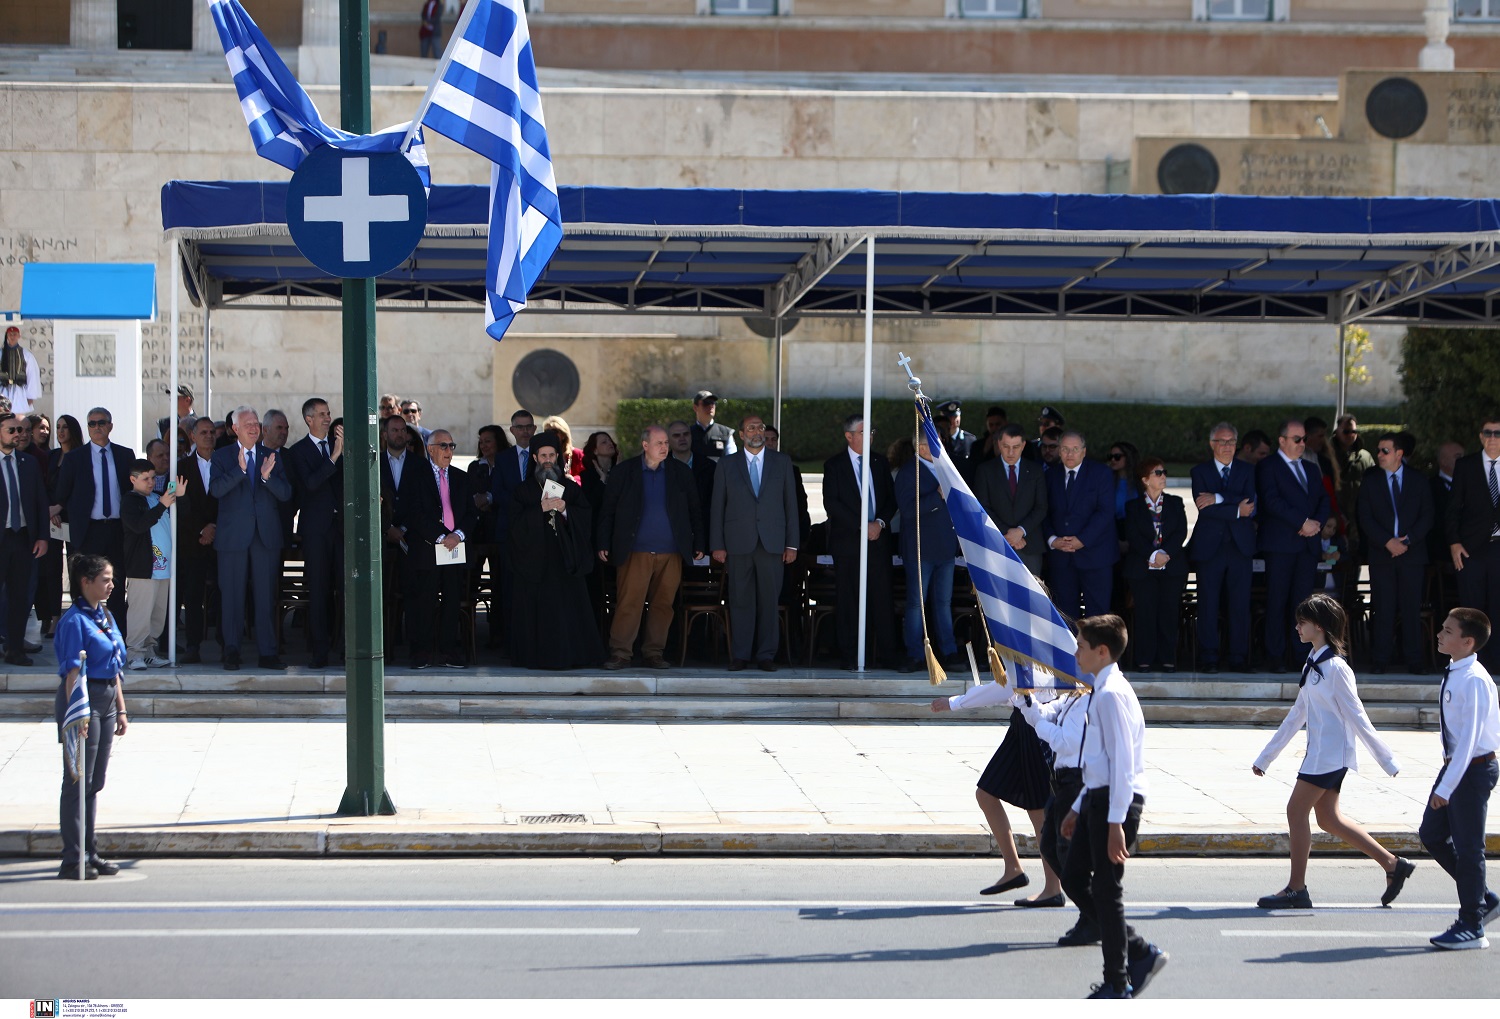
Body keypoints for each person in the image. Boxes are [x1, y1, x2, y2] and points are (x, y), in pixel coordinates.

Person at [1251, 593, 1409, 910]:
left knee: (1296, 812)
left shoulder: (1336, 668)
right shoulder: (1313, 663)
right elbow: (1297, 714)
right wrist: (1265, 758)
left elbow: (1357, 715)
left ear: (1319, 626)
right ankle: (1393, 864)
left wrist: (1387, 760)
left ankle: (1297, 889)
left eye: (1302, 622)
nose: (1297, 627)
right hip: (1320, 753)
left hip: (1330, 755)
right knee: (1329, 819)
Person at [1058, 615, 1167, 999]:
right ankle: (1137, 948)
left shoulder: (1111, 694)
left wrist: (1116, 822)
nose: (1076, 653)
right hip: (1097, 797)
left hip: (1116, 803)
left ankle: (1117, 981)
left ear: (1102, 652)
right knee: (1073, 878)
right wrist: (1077, 806)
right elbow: (1098, 760)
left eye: (1082, 647)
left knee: (1107, 890)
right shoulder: (1100, 689)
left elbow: (1122, 764)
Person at [931, 665, 1063, 907]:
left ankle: (1053, 887)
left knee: (1038, 811)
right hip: (1021, 723)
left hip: (1035, 726)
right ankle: (1013, 868)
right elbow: (1011, 689)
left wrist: (954, 702)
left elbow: (1006, 686)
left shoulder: (1033, 642)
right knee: (986, 793)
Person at [1420, 607, 1500, 949]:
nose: (1440, 633)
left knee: (1469, 848)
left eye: (1448, 630)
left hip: (1472, 767)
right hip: (1457, 765)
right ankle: (1482, 899)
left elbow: (1469, 739)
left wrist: (1448, 786)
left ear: (1467, 642)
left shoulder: (1475, 679)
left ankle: (1472, 925)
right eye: (1442, 628)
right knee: (1432, 834)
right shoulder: (1457, 670)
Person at [597, 425, 704, 670]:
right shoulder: (624, 471)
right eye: (659, 443)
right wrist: (603, 542)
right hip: (635, 551)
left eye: (666, 443)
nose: (665, 447)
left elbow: (694, 510)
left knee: (663, 605)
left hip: (671, 552)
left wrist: (698, 542)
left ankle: (654, 652)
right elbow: (608, 510)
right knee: (629, 603)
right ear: (645, 445)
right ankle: (621, 652)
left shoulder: (680, 472)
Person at [53, 553, 129, 880]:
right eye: (105, 580)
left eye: (112, 579)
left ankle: (90, 850)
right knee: (77, 782)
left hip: (108, 699)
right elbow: (72, 672)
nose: (111, 585)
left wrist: (122, 709)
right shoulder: (74, 621)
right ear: (86, 582)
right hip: (83, 701)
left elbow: (115, 668)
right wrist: (77, 717)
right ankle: (73, 858)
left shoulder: (105, 615)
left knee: (94, 782)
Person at [710, 414, 798, 671]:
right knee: (740, 600)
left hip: (772, 544)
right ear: (741, 434)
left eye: (760, 427)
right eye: (751, 428)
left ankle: (766, 655)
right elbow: (718, 507)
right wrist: (717, 544)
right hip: (737, 544)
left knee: (769, 602)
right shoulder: (727, 465)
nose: (757, 431)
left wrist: (792, 544)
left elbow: (790, 505)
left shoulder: (781, 462)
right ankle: (740, 654)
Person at [509, 432, 603, 670]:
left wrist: (564, 510)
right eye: (543, 456)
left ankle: (572, 657)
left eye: (552, 455)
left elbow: (586, 516)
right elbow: (513, 526)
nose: (548, 460)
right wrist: (539, 509)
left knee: (567, 612)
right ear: (534, 457)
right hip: (535, 565)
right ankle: (536, 658)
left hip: (565, 563)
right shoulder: (523, 491)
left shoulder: (569, 489)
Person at [1013, 682, 1098, 942]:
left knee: (1067, 854)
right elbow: (1045, 712)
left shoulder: (1089, 699)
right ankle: (1093, 913)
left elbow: (1067, 742)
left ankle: (1096, 916)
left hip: (1076, 781)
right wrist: (1024, 700)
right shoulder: (1075, 695)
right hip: (1062, 782)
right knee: (1050, 846)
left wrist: (1039, 726)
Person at [210, 406, 293, 671]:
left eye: (256, 423)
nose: (254, 428)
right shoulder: (222, 456)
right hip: (233, 538)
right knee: (232, 596)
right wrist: (241, 471)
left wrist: (267, 478)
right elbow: (216, 490)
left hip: (264, 537)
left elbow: (286, 494)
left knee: (266, 596)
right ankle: (231, 650)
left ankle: (268, 652)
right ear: (235, 429)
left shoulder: (271, 457)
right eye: (248, 424)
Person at [823, 413, 896, 670]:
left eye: (872, 432)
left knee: (882, 598)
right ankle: (850, 656)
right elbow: (831, 503)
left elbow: (890, 500)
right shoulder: (835, 465)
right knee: (849, 600)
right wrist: (861, 525)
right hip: (848, 544)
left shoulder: (879, 462)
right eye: (865, 432)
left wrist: (879, 524)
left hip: (878, 540)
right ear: (849, 436)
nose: (870, 436)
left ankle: (887, 655)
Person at [1357, 431, 1434, 674]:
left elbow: (1428, 515)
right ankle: (1380, 659)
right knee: (1383, 606)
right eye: (1378, 450)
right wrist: (1387, 541)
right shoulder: (1370, 481)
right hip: (1382, 555)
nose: (1379, 455)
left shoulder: (1419, 480)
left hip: (1412, 555)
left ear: (1399, 453)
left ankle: (1414, 660)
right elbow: (1364, 517)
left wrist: (1408, 540)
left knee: (1411, 608)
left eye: (1385, 451)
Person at [400, 430, 477, 669]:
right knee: (424, 599)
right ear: (430, 448)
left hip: (455, 549)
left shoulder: (461, 477)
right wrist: (441, 536)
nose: (449, 451)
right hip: (427, 548)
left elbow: (470, 514)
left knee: (452, 600)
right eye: (443, 446)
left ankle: (448, 650)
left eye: (452, 446)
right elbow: (415, 513)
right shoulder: (415, 476)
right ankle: (421, 650)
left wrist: (458, 535)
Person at [1257, 419, 1330, 672]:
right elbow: (1271, 501)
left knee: (1304, 605)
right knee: (1277, 601)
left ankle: (1301, 654)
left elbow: (1323, 498)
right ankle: (1275, 655)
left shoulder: (1310, 468)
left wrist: (1316, 523)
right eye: (1297, 439)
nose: (1302, 444)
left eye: (1303, 439)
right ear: (1282, 441)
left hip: (1307, 546)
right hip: (1281, 545)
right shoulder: (1268, 466)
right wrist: (1301, 522)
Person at [52, 407, 135, 629]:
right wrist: (55, 510)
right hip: (88, 530)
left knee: (116, 583)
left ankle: (118, 634)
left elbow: (132, 491)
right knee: (86, 584)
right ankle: (86, 631)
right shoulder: (74, 458)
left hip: (117, 528)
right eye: (92, 424)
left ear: (110, 425)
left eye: (101, 422)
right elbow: (63, 493)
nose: (97, 427)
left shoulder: (125, 455)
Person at [1189, 422, 1257, 673]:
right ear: (1211, 444)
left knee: (1240, 604)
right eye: (1221, 441)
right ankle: (1209, 657)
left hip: (1240, 547)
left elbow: (1250, 506)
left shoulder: (1248, 470)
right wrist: (1235, 507)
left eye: (1231, 441)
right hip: (1210, 547)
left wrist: (1218, 498)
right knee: (1208, 604)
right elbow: (1203, 509)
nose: (1227, 447)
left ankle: (1238, 657)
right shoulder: (1199, 471)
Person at [285, 399, 343, 668]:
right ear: (308, 419)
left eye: (328, 413)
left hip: (341, 530)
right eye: (321, 414)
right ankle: (320, 649)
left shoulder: (341, 446)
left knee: (344, 588)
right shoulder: (298, 451)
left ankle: (345, 645)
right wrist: (333, 457)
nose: (327, 418)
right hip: (315, 531)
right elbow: (310, 484)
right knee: (319, 589)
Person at [895, 436, 958, 673]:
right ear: (919, 447)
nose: (933, 448)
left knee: (943, 603)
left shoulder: (947, 468)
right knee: (916, 605)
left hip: (945, 548)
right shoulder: (909, 471)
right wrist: (937, 495)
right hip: (920, 549)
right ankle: (914, 654)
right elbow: (907, 510)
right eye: (928, 444)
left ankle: (949, 652)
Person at [1045, 430, 1118, 621]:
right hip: (1062, 558)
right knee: (1065, 615)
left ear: (1084, 452)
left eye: (1075, 449)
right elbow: (1043, 511)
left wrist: (1082, 540)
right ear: (1059, 452)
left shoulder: (1101, 474)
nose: (1070, 454)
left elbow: (1105, 512)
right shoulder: (1049, 476)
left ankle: (1095, 652)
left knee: (1098, 617)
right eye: (1065, 449)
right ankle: (1071, 652)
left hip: (1095, 556)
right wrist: (1053, 540)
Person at [1122, 457, 1187, 673]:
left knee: (1169, 613)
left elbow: (1180, 532)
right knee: (1145, 614)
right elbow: (1132, 534)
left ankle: (1168, 659)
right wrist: (1152, 554)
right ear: (1145, 479)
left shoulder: (1175, 503)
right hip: (1142, 568)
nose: (1163, 476)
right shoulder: (1133, 506)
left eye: (1164, 472)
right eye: (1158, 473)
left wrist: (1165, 553)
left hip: (1171, 567)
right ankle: (1144, 660)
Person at [1446, 416, 1500, 669]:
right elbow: (1453, 508)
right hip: (1471, 550)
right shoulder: (1466, 466)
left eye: (1497, 434)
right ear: (1480, 436)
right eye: (1487, 433)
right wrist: (1454, 542)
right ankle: (1473, 664)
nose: (1492, 438)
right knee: (1473, 612)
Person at [120, 458, 180, 670]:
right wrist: (162, 504)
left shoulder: (157, 498)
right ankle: (134, 653)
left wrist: (171, 498)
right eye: (145, 479)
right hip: (143, 568)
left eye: (153, 478)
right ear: (133, 479)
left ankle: (149, 652)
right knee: (140, 613)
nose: (151, 482)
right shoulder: (130, 501)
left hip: (163, 568)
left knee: (156, 614)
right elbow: (138, 525)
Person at [0, 413, 49, 665]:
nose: (17, 434)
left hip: (22, 539)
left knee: (20, 598)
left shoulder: (28, 463)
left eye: (20, 429)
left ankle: (14, 648)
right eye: (11, 430)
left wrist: (42, 536)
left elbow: (40, 502)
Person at [974, 424, 1048, 578]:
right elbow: (982, 507)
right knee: (1000, 599)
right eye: (1006, 446)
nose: (1011, 452)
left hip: (1029, 544)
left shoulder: (1036, 471)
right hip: (997, 543)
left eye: (1016, 447)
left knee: (1030, 599)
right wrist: (1007, 534)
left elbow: (1041, 507)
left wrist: (1020, 531)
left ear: (1023, 445)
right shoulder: (985, 471)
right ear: (999, 444)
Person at [176, 416, 219, 664]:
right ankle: (193, 645)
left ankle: (225, 644)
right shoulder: (179, 467)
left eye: (212, 432)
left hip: (221, 540)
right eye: (203, 432)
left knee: (223, 593)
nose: (209, 436)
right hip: (192, 542)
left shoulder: (226, 462)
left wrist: (214, 527)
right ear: (193, 436)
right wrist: (201, 529)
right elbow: (179, 502)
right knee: (192, 597)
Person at [28, 412, 63, 640]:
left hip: (50, 522)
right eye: (39, 427)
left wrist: (53, 508)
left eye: (46, 427)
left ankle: (52, 616)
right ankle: (42, 616)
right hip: (27, 522)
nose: (45, 431)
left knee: (51, 571)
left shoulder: (48, 457)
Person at [668, 418, 716, 518]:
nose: (682, 438)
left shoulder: (710, 467)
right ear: (667, 440)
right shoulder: (660, 467)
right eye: (676, 435)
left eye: (686, 434)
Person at [0, 325, 41, 415]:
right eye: (10, 334)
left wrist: (30, 396)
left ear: (19, 336)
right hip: (3, 391)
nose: (12, 336)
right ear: (7, 336)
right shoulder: (1, 354)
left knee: (18, 418)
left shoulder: (26, 355)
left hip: (19, 392)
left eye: (15, 334)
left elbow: (32, 375)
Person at [690, 390, 736, 463]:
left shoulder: (726, 432)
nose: (710, 406)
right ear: (695, 408)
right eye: (706, 403)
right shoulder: (687, 433)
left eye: (713, 403)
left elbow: (732, 460)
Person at [1106, 441, 1140, 530]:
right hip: (1111, 528)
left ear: (1128, 457)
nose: (1113, 460)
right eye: (1110, 457)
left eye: (1117, 457)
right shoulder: (1105, 481)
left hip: (1136, 528)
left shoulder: (1141, 482)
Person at [542, 415, 585, 479]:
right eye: (547, 432)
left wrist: (572, 479)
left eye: (554, 431)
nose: (550, 435)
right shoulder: (541, 454)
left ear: (563, 435)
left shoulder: (577, 454)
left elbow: (585, 477)